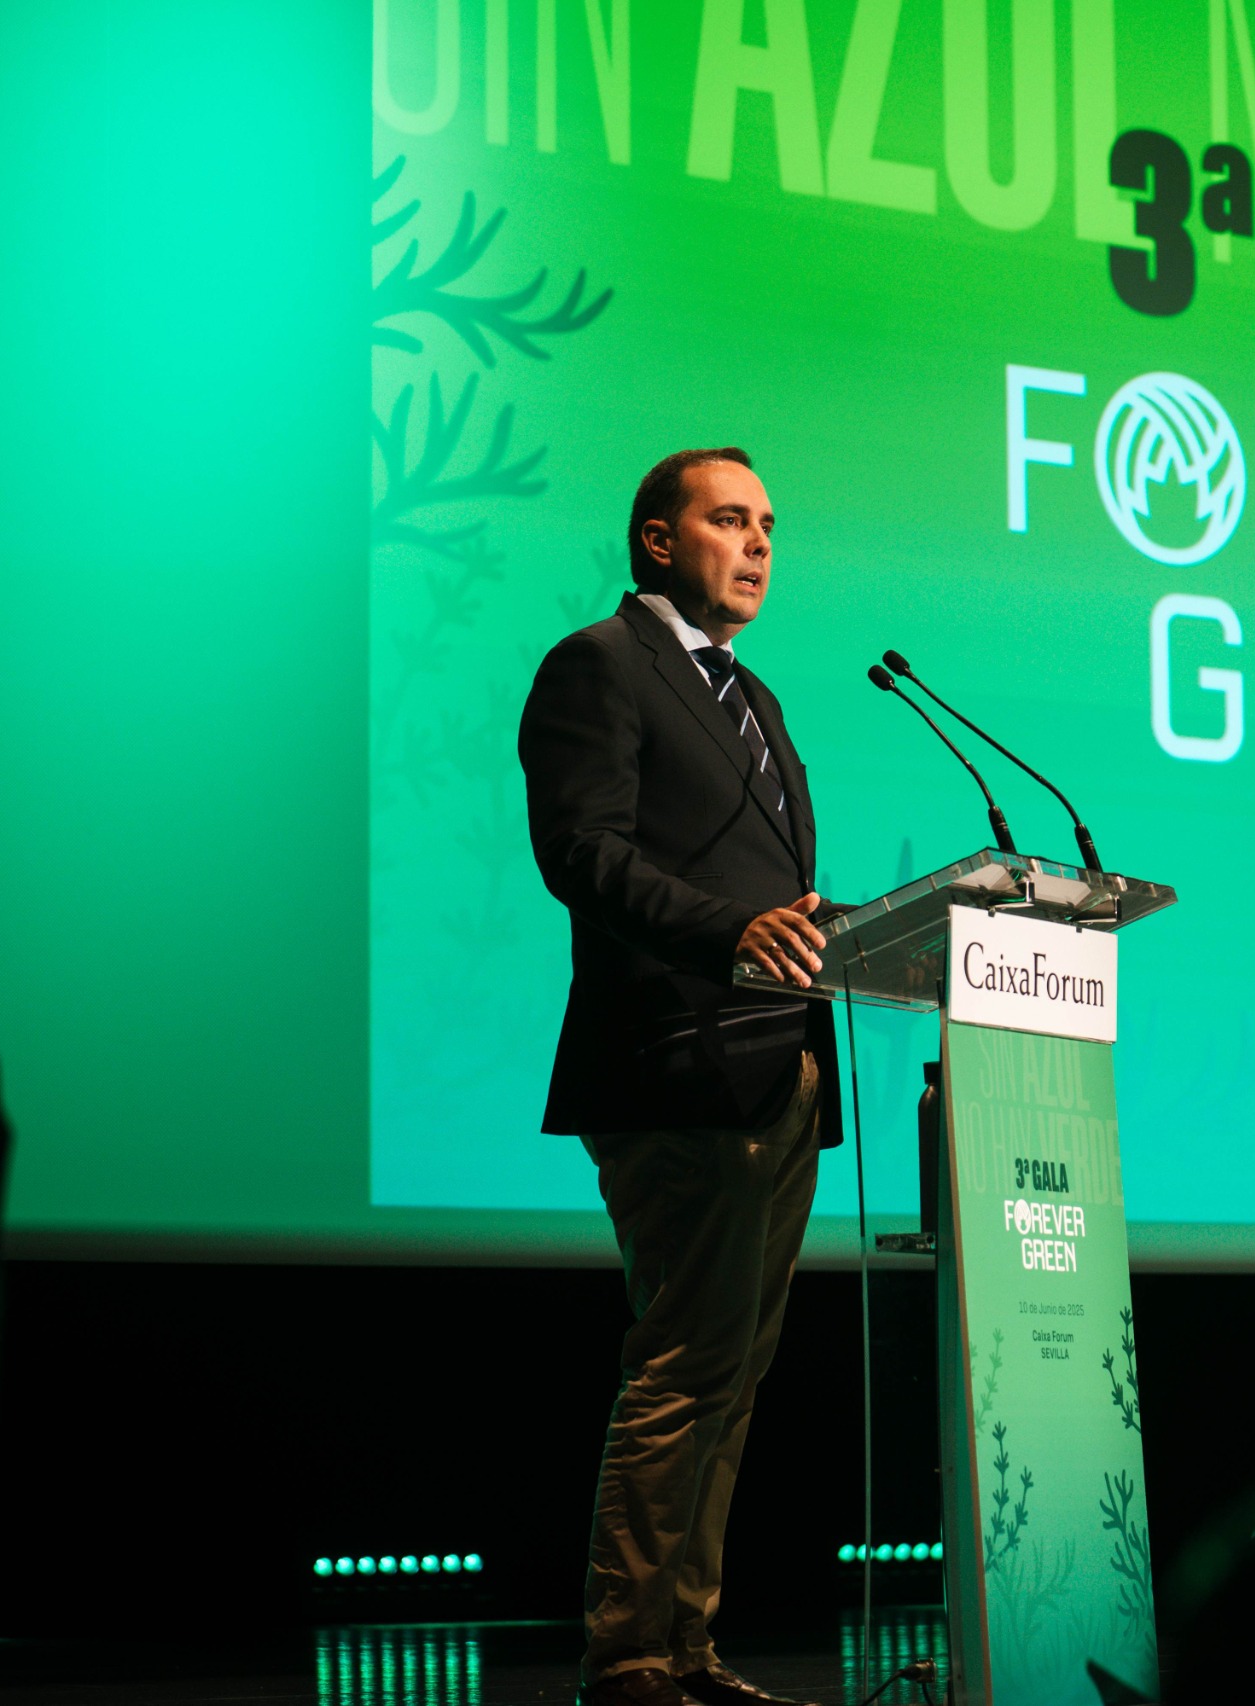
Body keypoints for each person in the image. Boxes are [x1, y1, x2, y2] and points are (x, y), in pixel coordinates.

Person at [519, 446, 838, 1706]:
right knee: (685, 1362)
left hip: (777, 1069)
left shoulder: (754, 697)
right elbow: (582, 854)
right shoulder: (599, 664)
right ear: (658, 540)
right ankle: (631, 1655)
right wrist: (730, 933)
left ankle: (689, 1646)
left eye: (768, 522)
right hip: (676, 1064)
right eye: (727, 520)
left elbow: (768, 889)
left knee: (736, 1373)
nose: (756, 543)